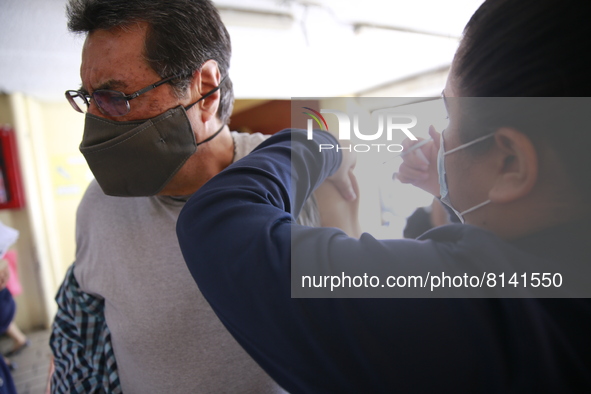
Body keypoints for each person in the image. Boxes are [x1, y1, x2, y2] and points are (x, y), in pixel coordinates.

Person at [176, 0, 591, 392]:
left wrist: (320, 142)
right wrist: (456, 187)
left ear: (511, 164)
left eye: (450, 115)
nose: (441, 138)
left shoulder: (484, 312)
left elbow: (218, 220)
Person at [49, 0, 357, 392]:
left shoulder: (311, 187)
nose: (94, 121)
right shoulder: (98, 205)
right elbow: (80, 340)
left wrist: (330, 146)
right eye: (87, 98)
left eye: (115, 97)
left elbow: (355, 349)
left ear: (205, 91)